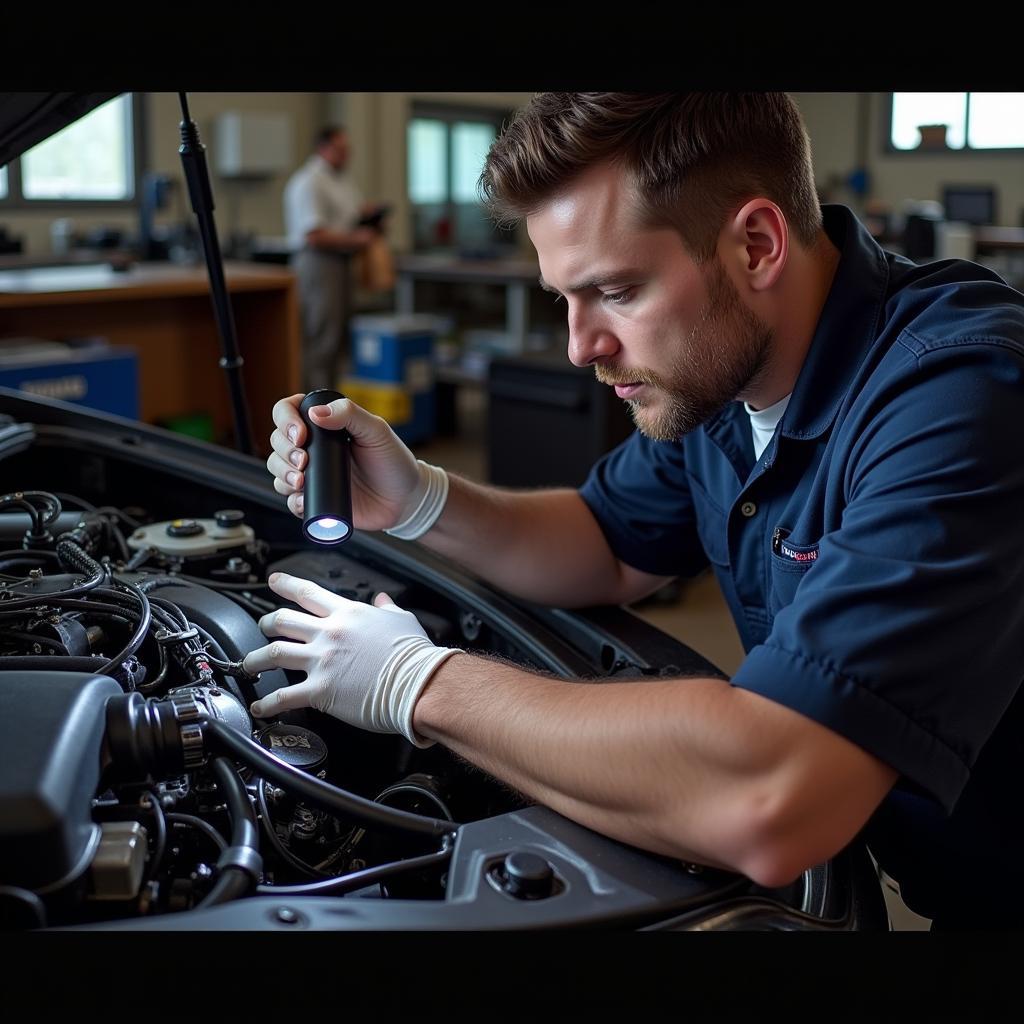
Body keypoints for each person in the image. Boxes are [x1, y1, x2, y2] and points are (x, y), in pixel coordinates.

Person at [249, 93, 1024, 929]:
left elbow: (768, 797)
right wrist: (419, 500)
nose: (582, 345)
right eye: (564, 299)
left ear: (756, 244)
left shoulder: (961, 393)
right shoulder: (724, 372)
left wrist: (419, 682)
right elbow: (605, 544)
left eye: (615, 290)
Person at [283, 125, 383, 391]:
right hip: (318, 263)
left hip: (340, 263)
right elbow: (313, 234)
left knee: (338, 337)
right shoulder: (309, 181)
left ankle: (332, 401)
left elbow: (346, 218)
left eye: (347, 150)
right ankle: (314, 407)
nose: (345, 155)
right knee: (321, 338)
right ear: (323, 148)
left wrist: (368, 217)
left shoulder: (341, 179)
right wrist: (357, 239)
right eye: (340, 150)